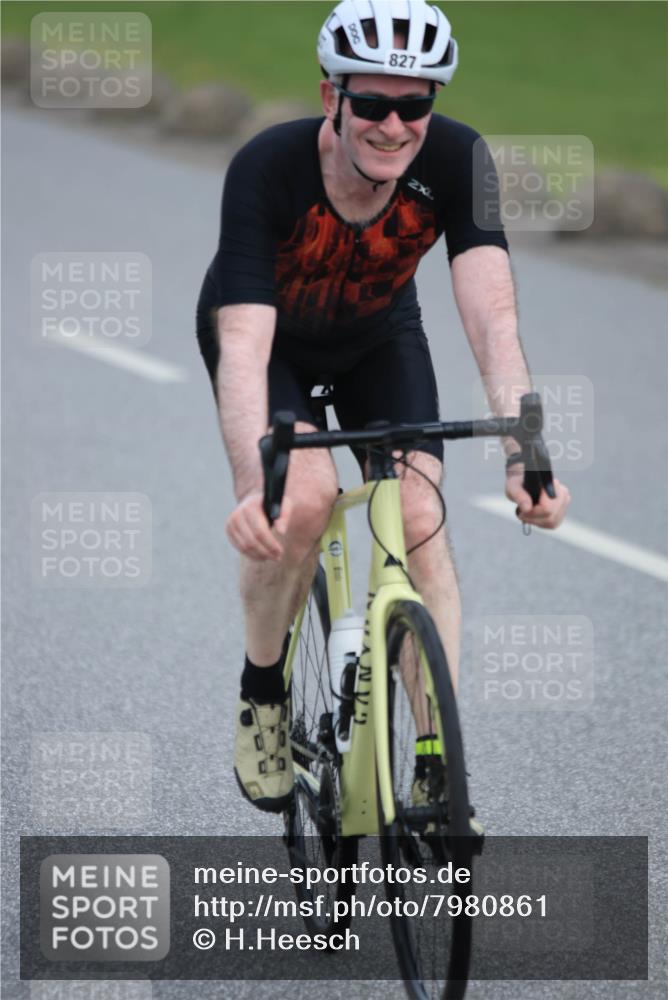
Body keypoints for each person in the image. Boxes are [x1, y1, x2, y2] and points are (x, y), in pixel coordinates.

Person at [196, 0, 570, 814]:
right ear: (331, 97)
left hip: (376, 336)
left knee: (420, 512)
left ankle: (436, 761)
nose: (394, 126)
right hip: (274, 342)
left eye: (414, 105)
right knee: (304, 501)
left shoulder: (460, 159)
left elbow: (492, 319)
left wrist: (528, 453)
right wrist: (253, 483)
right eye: (371, 103)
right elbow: (246, 343)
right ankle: (263, 691)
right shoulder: (268, 166)